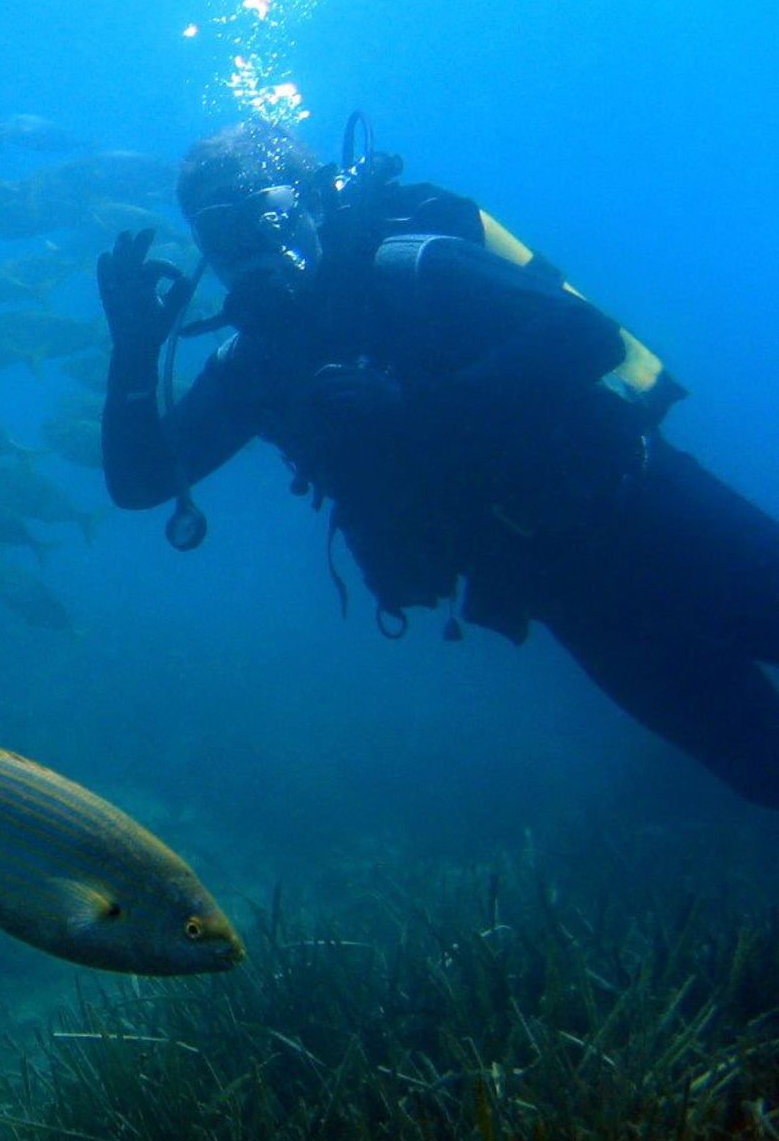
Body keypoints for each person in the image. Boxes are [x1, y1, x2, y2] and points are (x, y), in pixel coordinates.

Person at [98, 116, 779, 808]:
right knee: (766, 767)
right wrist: (133, 353)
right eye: (218, 236)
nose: (244, 252)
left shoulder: (410, 265)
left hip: (649, 510)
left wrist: (415, 405)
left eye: (256, 219)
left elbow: (589, 338)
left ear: (307, 201)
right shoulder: (256, 364)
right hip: (566, 591)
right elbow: (143, 482)